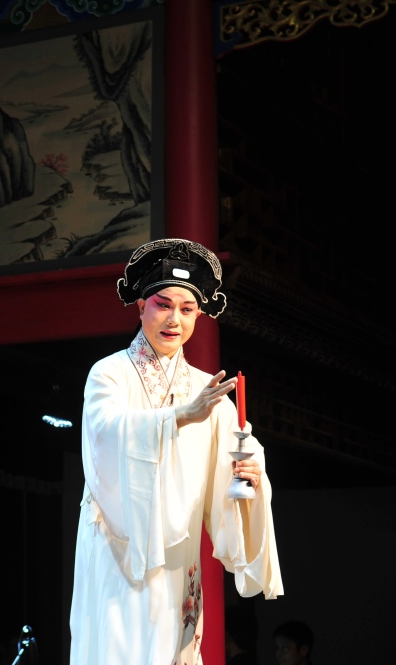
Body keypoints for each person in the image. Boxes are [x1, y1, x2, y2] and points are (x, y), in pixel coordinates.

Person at [69, 239, 283, 665]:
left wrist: (250, 476)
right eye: (163, 305)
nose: (174, 319)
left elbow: (236, 459)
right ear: (140, 307)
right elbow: (105, 431)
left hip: (177, 555)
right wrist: (180, 416)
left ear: (199, 315)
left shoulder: (208, 391)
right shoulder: (109, 374)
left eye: (187, 309)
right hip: (117, 547)